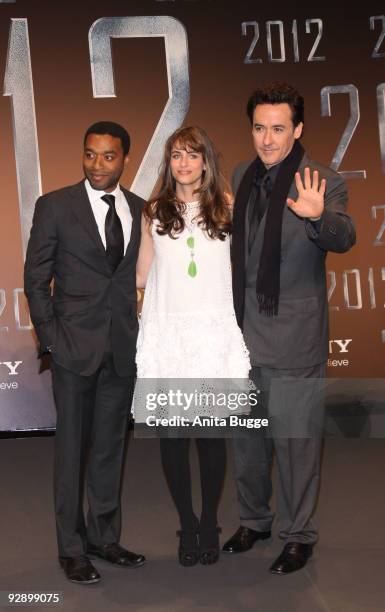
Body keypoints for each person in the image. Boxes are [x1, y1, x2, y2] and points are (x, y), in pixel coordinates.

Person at [222, 83, 356, 574]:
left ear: (298, 129)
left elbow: (345, 235)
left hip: (295, 336)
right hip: (241, 336)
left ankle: (298, 535)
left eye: (279, 128)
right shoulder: (240, 175)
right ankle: (254, 520)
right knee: (248, 441)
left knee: (297, 445)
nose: (268, 139)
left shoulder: (321, 180)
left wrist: (320, 219)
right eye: (259, 128)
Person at [24, 121, 145, 584]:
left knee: (110, 450)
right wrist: (52, 339)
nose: (98, 164)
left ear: (124, 159)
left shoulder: (139, 209)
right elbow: (36, 278)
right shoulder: (55, 206)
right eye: (90, 154)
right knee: (71, 453)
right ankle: (71, 549)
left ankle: (104, 538)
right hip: (73, 351)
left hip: (120, 351)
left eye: (108, 156)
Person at [135, 126, 250, 566]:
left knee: (209, 437)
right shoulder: (154, 211)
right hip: (167, 337)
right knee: (172, 438)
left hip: (211, 336)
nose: (184, 163)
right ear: (169, 163)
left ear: (206, 160)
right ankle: (186, 523)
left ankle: (208, 522)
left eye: (192, 154)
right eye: (176, 155)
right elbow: (142, 275)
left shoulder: (228, 208)